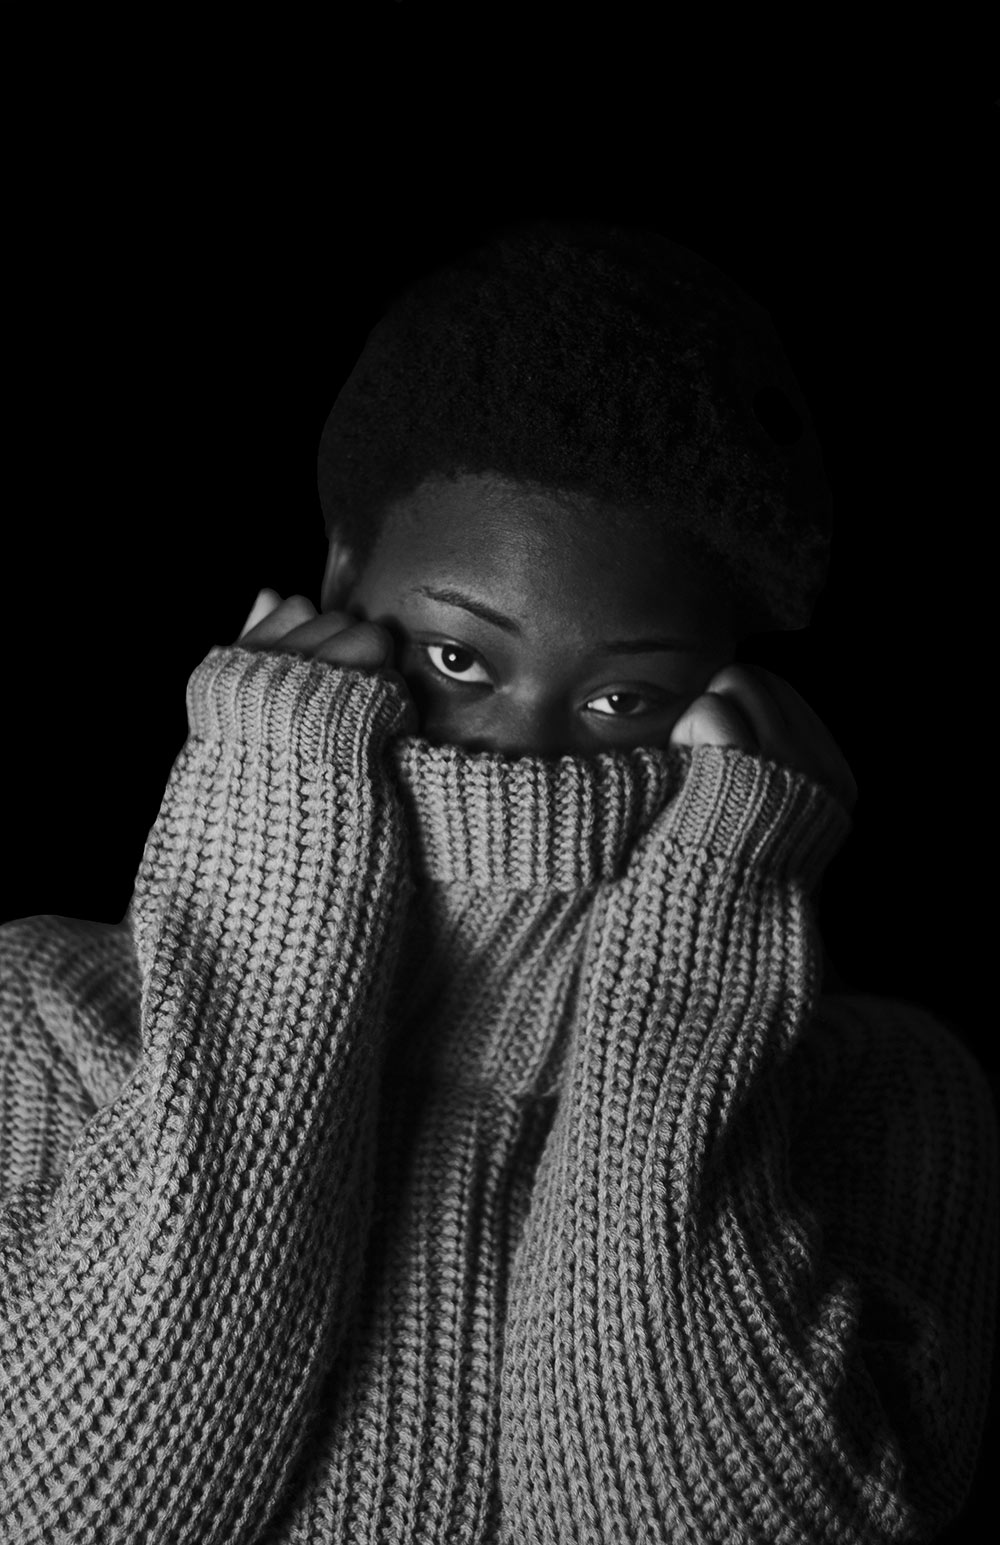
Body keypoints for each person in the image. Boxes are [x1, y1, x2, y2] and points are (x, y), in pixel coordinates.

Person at [1, 217, 995, 1545]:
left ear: (722, 706)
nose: (524, 746)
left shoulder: (880, 1096)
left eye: (622, 696)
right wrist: (270, 854)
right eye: (462, 661)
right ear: (342, 578)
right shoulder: (42, 1018)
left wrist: (703, 947)